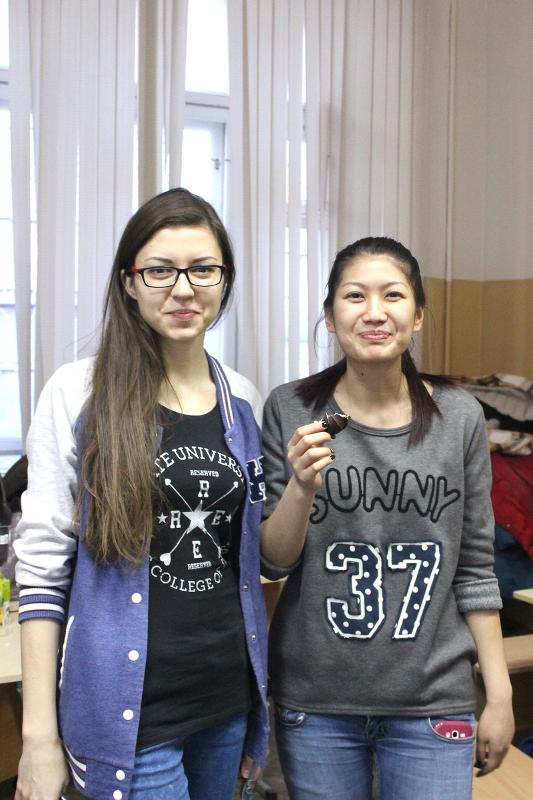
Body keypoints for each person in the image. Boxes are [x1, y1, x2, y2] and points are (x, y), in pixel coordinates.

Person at [14, 188, 269, 800]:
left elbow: (250, 558)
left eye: (203, 269)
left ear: (224, 280)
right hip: (127, 715)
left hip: (224, 700)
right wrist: (38, 737)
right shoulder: (77, 392)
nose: (183, 289)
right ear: (130, 282)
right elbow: (42, 570)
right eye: (159, 270)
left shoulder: (242, 397)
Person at [260, 236, 514, 800]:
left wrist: (499, 694)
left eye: (393, 295)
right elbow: (273, 561)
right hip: (316, 701)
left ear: (417, 315)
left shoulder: (459, 416)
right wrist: (301, 487)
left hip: (434, 700)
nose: (374, 312)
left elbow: (475, 565)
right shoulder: (291, 408)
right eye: (355, 296)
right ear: (330, 317)